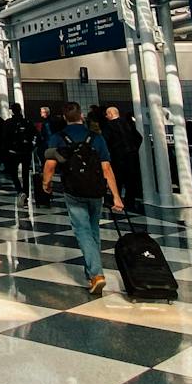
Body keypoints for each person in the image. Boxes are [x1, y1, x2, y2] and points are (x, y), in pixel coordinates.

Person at [42, 108, 125, 296]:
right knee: (93, 228)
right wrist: (116, 196)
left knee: (82, 230)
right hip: (96, 190)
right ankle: (91, 271)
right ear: (81, 116)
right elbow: (107, 168)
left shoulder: (58, 137)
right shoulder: (96, 137)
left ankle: (96, 274)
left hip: (74, 190)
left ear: (65, 117)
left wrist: (46, 184)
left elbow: (50, 164)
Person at [101, 104, 144, 208]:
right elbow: (139, 137)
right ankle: (130, 202)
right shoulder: (128, 123)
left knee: (116, 179)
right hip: (131, 156)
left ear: (110, 114)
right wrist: (134, 149)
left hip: (117, 157)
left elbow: (105, 141)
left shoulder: (108, 126)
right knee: (131, 180)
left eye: (107, 114)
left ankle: (116, 199)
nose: (106, 116)